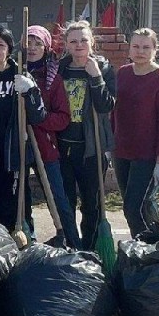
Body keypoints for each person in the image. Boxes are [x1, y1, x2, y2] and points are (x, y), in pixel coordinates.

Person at [0, 23, 45, 236]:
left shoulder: (19, 74)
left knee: (15, 208)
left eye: (1, 45)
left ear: (9, 50)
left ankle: (22, 250)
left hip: (11, 154)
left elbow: (38, 115)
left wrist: (30, 91)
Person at [56, 21, 117, 251]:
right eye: (73, 41)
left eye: (83, 40)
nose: (79, 44)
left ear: (92, 42)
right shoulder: (60, 69)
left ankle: (90, 249)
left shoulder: (104, 68)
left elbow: (106, 106)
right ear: (66, 45)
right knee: (66, 202)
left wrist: (95, 77)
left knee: (92, 204)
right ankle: (70, 247)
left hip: (92, 147)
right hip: (63, 146)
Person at [112, 28, 159, 239]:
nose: (140, 51)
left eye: (146, 47)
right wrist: (110, 145)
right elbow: (114, 112)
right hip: (121, 151)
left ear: (155, 49)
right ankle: (150, 248)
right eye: (136, 46)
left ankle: (148, 251)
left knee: (134, 208)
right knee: (137, 206)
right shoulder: (122, 73)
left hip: (147, 155)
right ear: (129, 48)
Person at [23, 24, 79, 248]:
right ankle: (27, 242)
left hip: (45, 146)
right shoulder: (13, 71)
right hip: (17, 144)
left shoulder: (52, 78)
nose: (32, 48)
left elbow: (63, 117)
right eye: (28, 42)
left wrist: (39, 119)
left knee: (58, 198)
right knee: (21, 199)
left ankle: (73, 243)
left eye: (38, 44)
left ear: (46, 48)